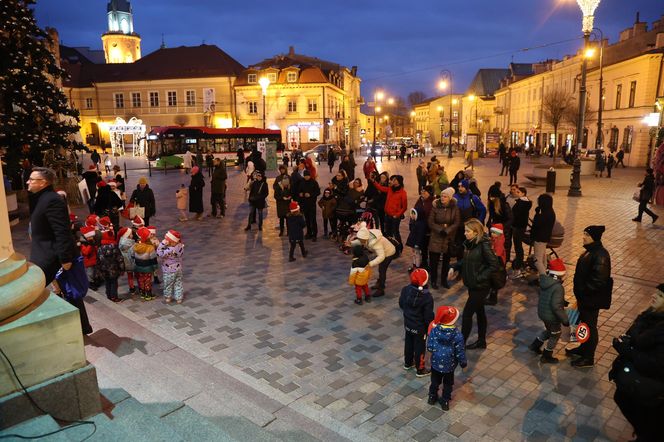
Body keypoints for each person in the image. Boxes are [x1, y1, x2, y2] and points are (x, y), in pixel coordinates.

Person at [609, 283, 664, 442]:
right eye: (656, 293)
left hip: (651, 384)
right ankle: (642, 433)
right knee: (622, 397)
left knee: (649, 419)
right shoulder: (650, 315)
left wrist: (628, 351)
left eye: (660, 296)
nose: (654, 296)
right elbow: (633, 333)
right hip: (638, 376)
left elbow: (657, 365)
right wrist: (624, 343)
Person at [566, 225, 612, 368]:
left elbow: (599, 280)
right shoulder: (591, 251)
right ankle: (583, 349)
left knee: (590, 327)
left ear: (594, 237)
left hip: (590, 299)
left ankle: (588, 357)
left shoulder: (601, 254)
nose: (583, 236)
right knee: (584, 324)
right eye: (584, 233)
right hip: (584, 298)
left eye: (586, 234)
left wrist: (584, 292)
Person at [27, 167, 78, 285]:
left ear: (43, 182)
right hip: (42, 255)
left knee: (71, 292)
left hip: (50, 258)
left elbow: (62, 231)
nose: (28, 182)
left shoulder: (52, 200)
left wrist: (65, 259)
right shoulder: (41, 198)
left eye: (31, 179)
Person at [460, 218, 502, 349]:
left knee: (467, 314)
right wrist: (454, 266)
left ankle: (460, 345)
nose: (465, 233)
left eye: (467, 231)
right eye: (465, 231)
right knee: (480, 312)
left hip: (480, 286)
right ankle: (481, 341)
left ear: (476, 232)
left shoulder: (483, 245)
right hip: (472, 285)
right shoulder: (470, 243)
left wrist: (479, 277)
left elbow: (494, 265)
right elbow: (467, 261)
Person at [528, 258, 569, 363]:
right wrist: (565, 319)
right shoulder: (558, 287)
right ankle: (547, 355)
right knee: (555, 334)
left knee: (550, 330)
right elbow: (556, 306)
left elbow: (549, 296)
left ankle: (535, 345)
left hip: (543, 312)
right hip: (552, 316)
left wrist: (562, 301)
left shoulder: (545, 281)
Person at [427, 306, 467, 411]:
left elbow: (430, 347)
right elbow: (460, 351)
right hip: (449, 365)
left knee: (435, 381)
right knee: (448, 383)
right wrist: (463, 363)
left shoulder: (435, 330)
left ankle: (432, 396)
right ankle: (445, 401)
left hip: (435, 363)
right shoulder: (457, 335)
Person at [398, 268, 434, 377]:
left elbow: (401, 304)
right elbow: (428, 316)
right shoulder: (427, 297)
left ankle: (408, 362)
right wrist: (430, 326)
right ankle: (420, 368)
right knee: (419, 347)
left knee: (408, 342)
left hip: (408, 323)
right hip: (419, 328)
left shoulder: (406, 290)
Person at [427, 187, 461, 290]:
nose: (442, 198)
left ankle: (443, 280)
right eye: (441, 196)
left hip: (448, 237)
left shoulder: (454, 208)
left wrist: (447, 230)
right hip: (436, 236)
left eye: (445, 196)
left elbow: (456, 222)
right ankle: (433, 280)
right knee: (434, 261)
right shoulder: (435, 206)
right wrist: (440, 229)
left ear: (450, 198)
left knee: (446, 261)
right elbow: (430, 222)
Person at [355, 224, 396, 298]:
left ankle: (381, 289)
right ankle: (379, 283)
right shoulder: (366, 235)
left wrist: (370, 264)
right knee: (380, 268)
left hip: (389, 253)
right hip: (383, 251)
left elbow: (381, 256)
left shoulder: (375, 243)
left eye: (360, 240)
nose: (359, 241)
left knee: (382, 269)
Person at [371, 175, 408, 245]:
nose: (392, 181)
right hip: (387, 215)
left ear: (399, 182)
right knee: (388, 232)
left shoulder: (403, 193)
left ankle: (399, 247)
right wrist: (374, 181)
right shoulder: (390, 189)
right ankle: (390, 246)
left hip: (395, 217)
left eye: (395, 180)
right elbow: (381, 188)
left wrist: (397, 215)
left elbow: (404, 207)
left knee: (395, 232)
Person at [530, 193, 555, 275]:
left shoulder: (543, 215)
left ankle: (544, 278)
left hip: (539, 239)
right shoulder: (551, 212)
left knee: (537, 260)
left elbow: (536, 224)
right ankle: (544, 276)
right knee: (543, 258)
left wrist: (537, 214)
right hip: (545, 238)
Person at [157, 230, 185, 304]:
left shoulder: (169, 250)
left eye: (167, 240)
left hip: (168, 270)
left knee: (168, 285)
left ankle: (168, 297)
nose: (165, 241)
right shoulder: (180, 246)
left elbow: (159, 253)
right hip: (178, 269)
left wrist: (162, 244)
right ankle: (179, 298)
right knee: (178, 283)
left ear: (171, 241)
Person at [96, 229, 124, 302]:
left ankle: (108, 295)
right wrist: (122, 268)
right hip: (113, 269)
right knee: (114, 283)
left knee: (107, 282)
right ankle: (114, 297)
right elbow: (119, 258)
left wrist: (99, 270)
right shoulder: (114, 247)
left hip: (104, 270)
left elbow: (98, 260)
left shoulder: (100, 248)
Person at [510, 187, 532, 277]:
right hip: (519, 227)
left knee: (518, 247)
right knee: (518, 247)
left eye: (518, 192)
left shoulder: (522, 203)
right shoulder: (523, 202)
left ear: (523, 193)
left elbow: (516, 215)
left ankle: (518, 268)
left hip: (518, 227)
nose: (516, 193)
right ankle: (519, 264)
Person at [133, 226, 158, 301]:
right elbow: (153, 259)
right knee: (147, 280)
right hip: (148, 267)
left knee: (141, 279)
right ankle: (148, 294)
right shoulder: (150, 247)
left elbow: (133, 256)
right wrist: (155, 267)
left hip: (138, 266)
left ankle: (142, 293)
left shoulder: (135, 246)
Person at [297, 170, 321, 240]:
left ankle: (314, 234)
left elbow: (318, 192)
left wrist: (310, 194)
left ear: (309, 176)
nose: (306, 177)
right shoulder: (302, 182)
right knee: (307, 219)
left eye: (307, 176)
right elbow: (299, 190)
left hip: (312, 204)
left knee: (313, 219)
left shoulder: (314, 182)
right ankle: (309, 233)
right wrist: (300, 193)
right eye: (305, 176)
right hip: (304, 204)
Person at [486, 224, 505, 305]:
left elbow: (497, 254)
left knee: (494, 281)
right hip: (496, 263)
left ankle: (493, 299)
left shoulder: (499, 241)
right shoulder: (495, 238)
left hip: (498, 264)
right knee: (493, 280)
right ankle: (492, 297)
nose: (492, 234)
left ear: (499, 233)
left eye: (494, 233)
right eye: (491, 232)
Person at [274, 165, 293, 236]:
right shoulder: (278, 178)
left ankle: (289, 230)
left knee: (288, 217)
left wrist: (290, 196)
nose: (282, 171)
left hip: (287, 201)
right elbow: (274, 187)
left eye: (283, 169)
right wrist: (280, 187)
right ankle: (281, 230)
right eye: (281, 169)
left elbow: (292, 188)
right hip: (280, 201)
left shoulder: (289, 177)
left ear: (285, 170)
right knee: (281, 218)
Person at [117, 227, 136, 297]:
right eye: (131, 234)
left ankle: (132, 288)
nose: (132, 235)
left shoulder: (121, 242)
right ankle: (140, 287)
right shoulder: (130, 243)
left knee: (130, 276)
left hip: (125, 262)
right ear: (127, 235)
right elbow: (133, 253)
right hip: (131, 261)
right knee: (136, 275)